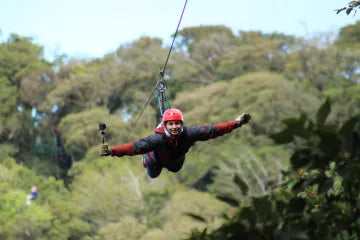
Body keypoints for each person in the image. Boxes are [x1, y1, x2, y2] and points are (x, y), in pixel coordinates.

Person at [99, 109, 251, 178]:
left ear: (181, 123)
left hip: (175, 162)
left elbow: (215, 130)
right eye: (170, 124)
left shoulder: (190, 133)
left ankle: (159, 158)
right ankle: (147, 158)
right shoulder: (157, 139)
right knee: (153, 174)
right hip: (157, 159)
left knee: (176, 168)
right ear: (165, 125)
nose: (174, 127)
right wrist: (112, 151)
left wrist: (237, 123)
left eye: (177, 123)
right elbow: (135, 147)